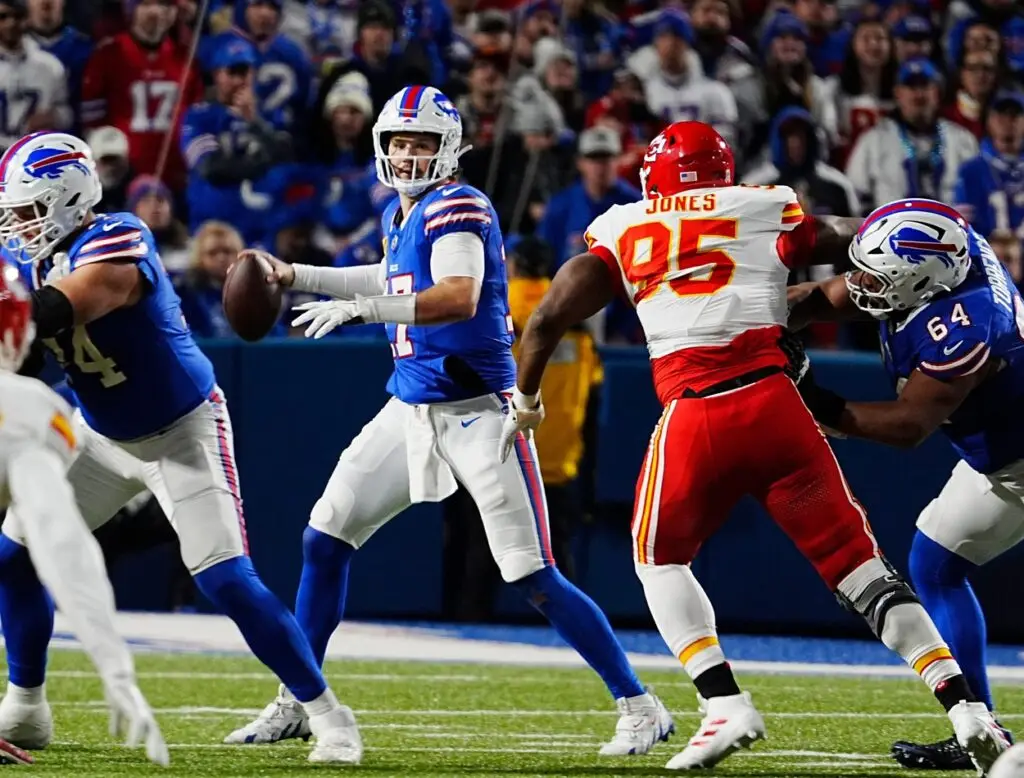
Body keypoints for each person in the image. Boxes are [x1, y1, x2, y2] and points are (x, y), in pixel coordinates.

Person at [499, 120, 1009, 773]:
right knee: (862, 569)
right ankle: (965, 706)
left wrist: (528, 400)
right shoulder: (764, 205)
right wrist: (944, 243)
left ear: (656, 176)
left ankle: (724, 703)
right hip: (779, 405)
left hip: (697, 411)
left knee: (658, 559)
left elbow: (546, 320)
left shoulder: (626, 224)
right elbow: (856, 235)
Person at [225, 85, 675, 758]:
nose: (408, 156)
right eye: (399, 142)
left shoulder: (459, 205)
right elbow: (389, 275)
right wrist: (297, 274)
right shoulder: (405, 213)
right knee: (324, 539)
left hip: (479, 416)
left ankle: (641, 705)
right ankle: (299, 698)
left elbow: (457, 297)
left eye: (422, 143)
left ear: (450, 149)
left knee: (532, 576)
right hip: (410, 409)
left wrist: (363, 312)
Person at [0, 130, 360, 764]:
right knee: (14, 554)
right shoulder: (22, 256)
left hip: (182, 432)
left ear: (66, 198)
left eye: (27, 210)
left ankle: (329, 716)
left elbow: (59, 308)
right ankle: (26, 706)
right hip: (100, 433)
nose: (17, 225)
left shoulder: (118, 237)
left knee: (227, 581)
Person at [787, 199, 1022, 771]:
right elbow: (834, 293)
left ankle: (980, 726)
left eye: (878, 275)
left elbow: (906, 425)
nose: (861, 281)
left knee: (938, 565)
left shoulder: (966, 325)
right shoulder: (936, 256)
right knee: (936, 565)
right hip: (1000, 452)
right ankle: (979, 727)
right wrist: (744, 324)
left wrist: (814, 395)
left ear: (924, 284)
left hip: (1018, 463)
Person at [0, 261, 166, 768]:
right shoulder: (26, 411)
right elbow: (65, 550)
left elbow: (61, 544)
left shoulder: (25, 411)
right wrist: (114, 668)